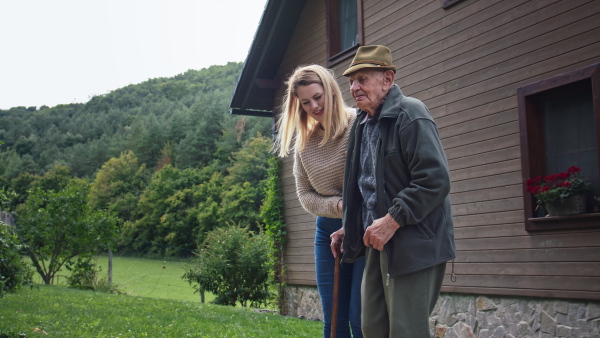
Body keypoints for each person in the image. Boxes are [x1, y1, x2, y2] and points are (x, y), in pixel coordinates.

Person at [330, 45, 456, 337]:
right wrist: (351, 226)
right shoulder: (363, 124)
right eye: (351, 81)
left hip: (413, 241)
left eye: (362, 79)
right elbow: (368, 187)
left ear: (387, 79)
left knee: (405, 331)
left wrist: (392, 219)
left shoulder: (410, 113)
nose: (354, 87)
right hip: (378, 240)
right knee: (372, 327)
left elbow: (434, 180)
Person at [275, 64, 365, 338]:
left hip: (362, 229)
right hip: (327, 231)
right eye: (305, 102)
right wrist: (338, 207)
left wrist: (350, 212)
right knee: (333, 319)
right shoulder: (304, 143)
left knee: (360, 317)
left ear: (330, 90)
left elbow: (369, 184)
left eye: (318, 96)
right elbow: (304, 195)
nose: (314, 106)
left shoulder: (359, 125)